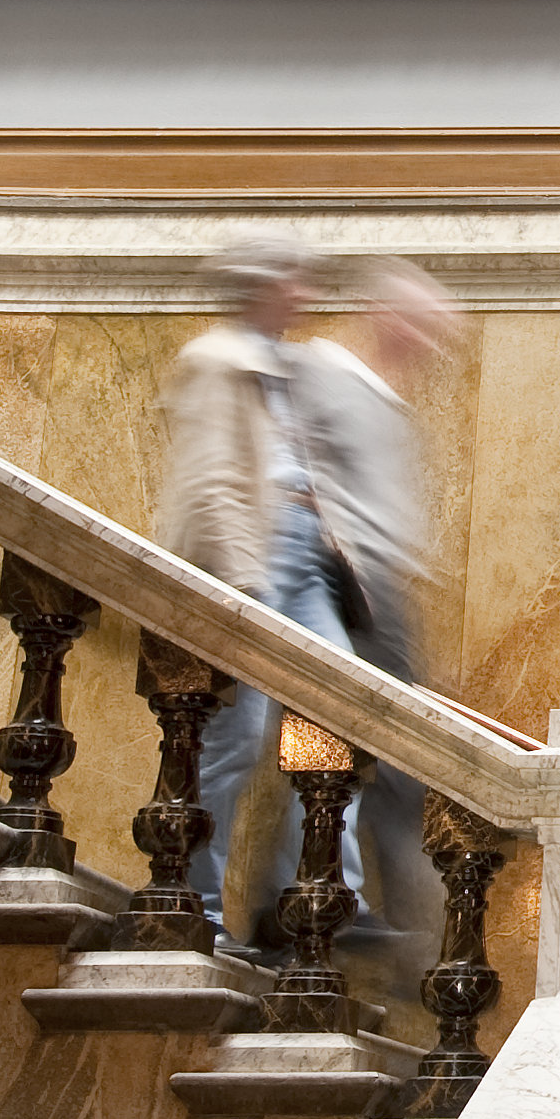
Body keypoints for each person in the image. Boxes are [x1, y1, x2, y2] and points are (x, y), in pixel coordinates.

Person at [159, 233, 379, 946]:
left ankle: (322, 892)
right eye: (294, 281)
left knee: (329, 718)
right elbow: (213, 481)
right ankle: (197, 906)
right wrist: (238, 584)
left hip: (308, 563)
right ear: (262, 285)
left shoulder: (289, 369)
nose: (305, 295)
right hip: (252, 564)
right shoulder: (216, 360)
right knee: (233, 738)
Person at [298, 259, 458, 940]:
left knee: (395, 761)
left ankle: (378, 917)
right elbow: (299, 474)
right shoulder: (326, 373)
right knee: (336, 740)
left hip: (386, 586)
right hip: (347, 579)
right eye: (424, 330)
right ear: (389, 318)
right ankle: (322, 894)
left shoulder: (389, 401)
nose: (431, 349)